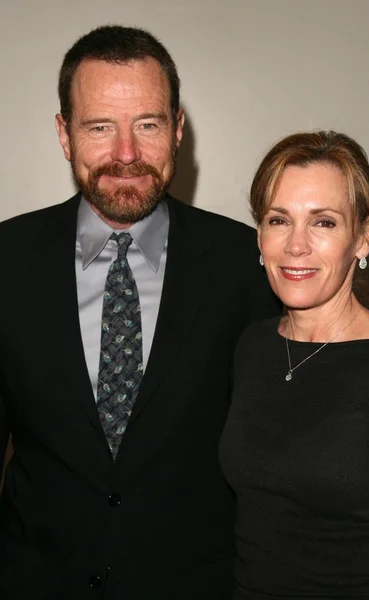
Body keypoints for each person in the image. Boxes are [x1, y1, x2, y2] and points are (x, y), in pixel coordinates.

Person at [0, 25, 279, 600]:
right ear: (64, 133)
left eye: (147, 125)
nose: (126, 154)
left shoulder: (250, 266)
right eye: (100, 127)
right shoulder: (6, 260)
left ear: (177, 130)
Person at [219, 130, 369, 599]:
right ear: (259, 235)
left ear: (363, 238)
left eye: (323, 223)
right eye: (279, 220)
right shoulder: (253, 347)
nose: (296, 245)